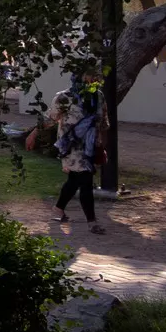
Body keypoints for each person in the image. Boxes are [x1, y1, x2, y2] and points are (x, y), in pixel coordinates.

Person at [53, 86, 105, 233]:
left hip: (89, 145)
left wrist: (101, 142)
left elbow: (103, 120)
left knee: (75, 179)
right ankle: (92, 222)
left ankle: (59, 208)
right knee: (86, 180)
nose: (94, 79)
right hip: (71, 145)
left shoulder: (98, 95)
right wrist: (34, 133)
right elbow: (51, 117)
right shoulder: (64, 97)